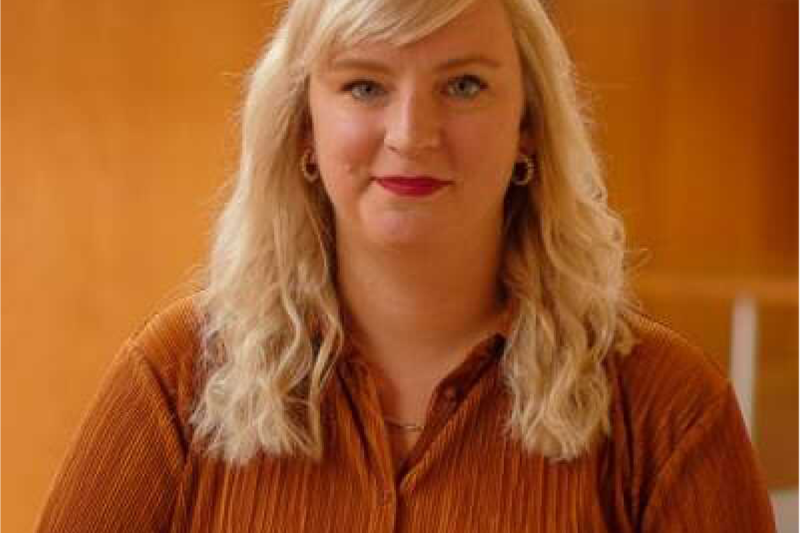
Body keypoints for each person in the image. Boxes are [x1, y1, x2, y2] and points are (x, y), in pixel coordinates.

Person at [36, 0, 776, 531]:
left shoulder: (668, 412)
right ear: (304, 126)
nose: (412, 132)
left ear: (527, 124)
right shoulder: (175, 384)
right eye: (365, 85)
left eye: (464, 85)